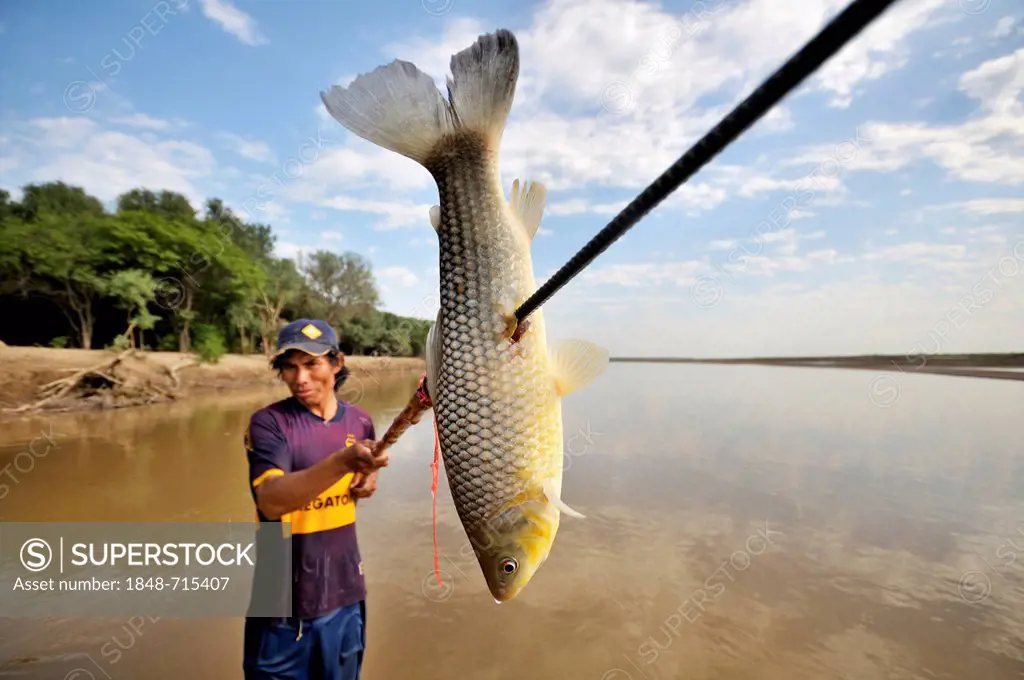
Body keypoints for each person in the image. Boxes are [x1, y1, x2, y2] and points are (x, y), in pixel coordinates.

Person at [242, 318, 389, 680]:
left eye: (312, 364)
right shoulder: (269, 423)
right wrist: (342, 462)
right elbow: (271, 501)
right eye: (289, 366)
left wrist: (369, 476)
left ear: (336, 364)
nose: (300, 378)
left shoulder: (360, 422)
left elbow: (362, 476)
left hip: (344, 594)